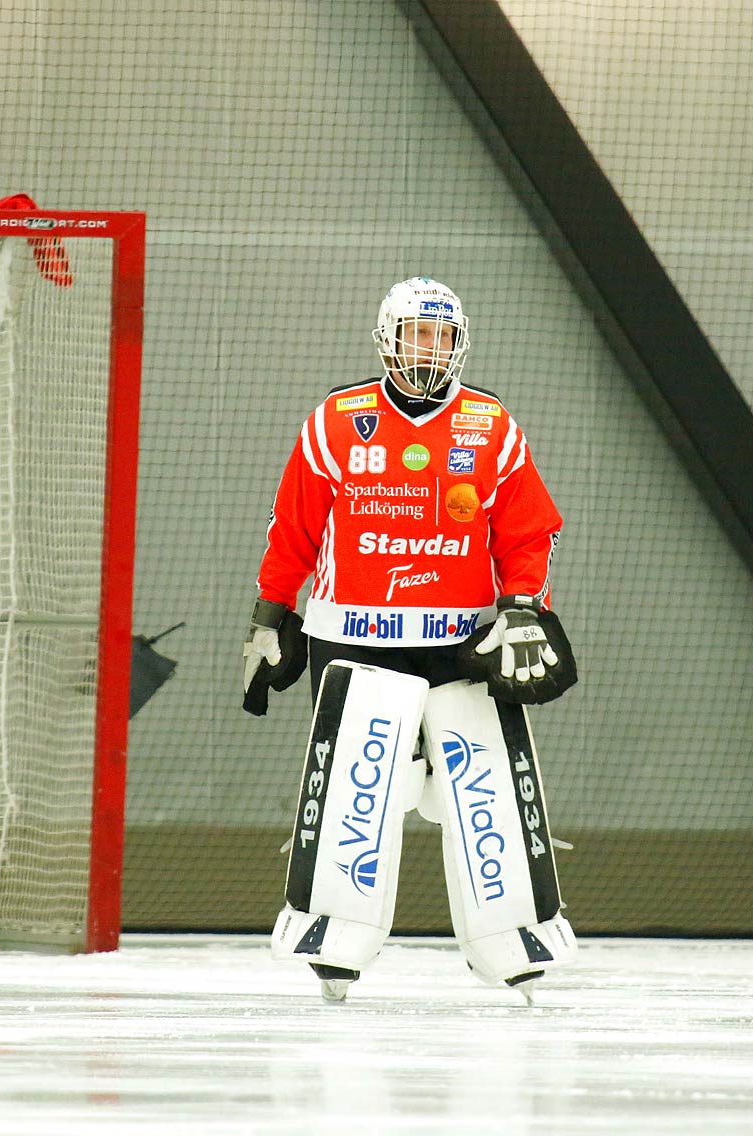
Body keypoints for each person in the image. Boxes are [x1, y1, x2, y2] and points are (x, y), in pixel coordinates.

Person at [242, 278, 579, 1003]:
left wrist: (524, 608)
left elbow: (527, 531)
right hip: (352, 636)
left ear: (461, 344)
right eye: (417, 334)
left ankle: (511, 935)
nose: (430, 349)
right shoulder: (337, 421)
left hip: (460, 642)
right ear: (387, 338)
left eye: (443, 336)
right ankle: (332, 934)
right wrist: (272, 612)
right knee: (362, 786)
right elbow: (293, 527)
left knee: (477, 782)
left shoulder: (491, 427)